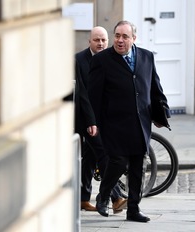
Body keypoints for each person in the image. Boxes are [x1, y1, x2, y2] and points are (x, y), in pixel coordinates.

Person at [88, 21, 170, 222]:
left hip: (140, 121)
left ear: (134, 38)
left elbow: (154, 88)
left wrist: (162, 112)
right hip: (114, 123)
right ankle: (104, 194)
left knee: (138, 166)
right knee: (118, 161)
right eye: (117, 35)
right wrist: (92, 121)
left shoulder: (147, 57)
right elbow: (93, 95)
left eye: (125, 36)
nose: (120, 40)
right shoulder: (102, 60)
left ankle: (133, 209)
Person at [73, 26, 127, 213]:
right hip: (86, 119)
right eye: (97, 40)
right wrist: (90, 122)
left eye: (104, 40)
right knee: (104, 155)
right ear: (89, 41)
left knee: (89, 158)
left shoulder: (110, 58)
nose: (101, 43)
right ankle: (116, 197)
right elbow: (83, 95)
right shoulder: (79, 60)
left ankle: (82, 198)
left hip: (105, 118)